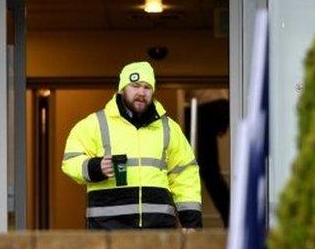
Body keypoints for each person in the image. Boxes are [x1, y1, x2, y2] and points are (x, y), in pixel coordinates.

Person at [62, 61, 203, 230]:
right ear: (122, 89)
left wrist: (191, 222)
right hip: (108, 228)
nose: (141, 92)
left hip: (158, 229)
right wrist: (95, 167)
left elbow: (185, 174)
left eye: (147, 87)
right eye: (135, 86)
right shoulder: (95, 124)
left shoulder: (169, 128)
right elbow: (70, 161)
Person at [186, 89, 230, 226]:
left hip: (203, 104)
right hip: (219, 102)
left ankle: (231, 218)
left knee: (205, 169)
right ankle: (231, 217)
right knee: (209, 170)